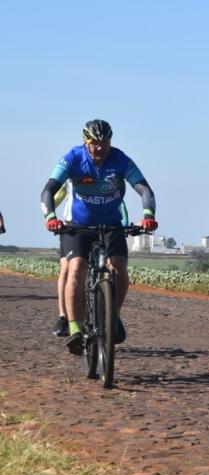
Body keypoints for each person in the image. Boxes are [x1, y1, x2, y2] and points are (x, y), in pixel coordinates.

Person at [40, 119, 158, 354]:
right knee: (76, 269)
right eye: (94, 143)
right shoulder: (73, 157)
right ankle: (75, 328)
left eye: (104, 142)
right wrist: (50, 217)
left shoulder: (120, 159)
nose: (99, 148)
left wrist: (148, 214)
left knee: (119, 269)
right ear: (86, 142)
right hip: (78, 226)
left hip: (112, 225)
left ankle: (113, 317)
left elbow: (145, 189)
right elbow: (48, 191)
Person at [51, 184, 130, 337]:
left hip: (106, 228)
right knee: (67, 269)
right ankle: (63, 317)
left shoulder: (109, 179)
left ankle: (111, 315)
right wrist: (52, 217)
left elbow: (121, 204)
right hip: (72, 227)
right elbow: (55, 199)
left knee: (114, 265)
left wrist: (125, 226)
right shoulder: (71, 176)